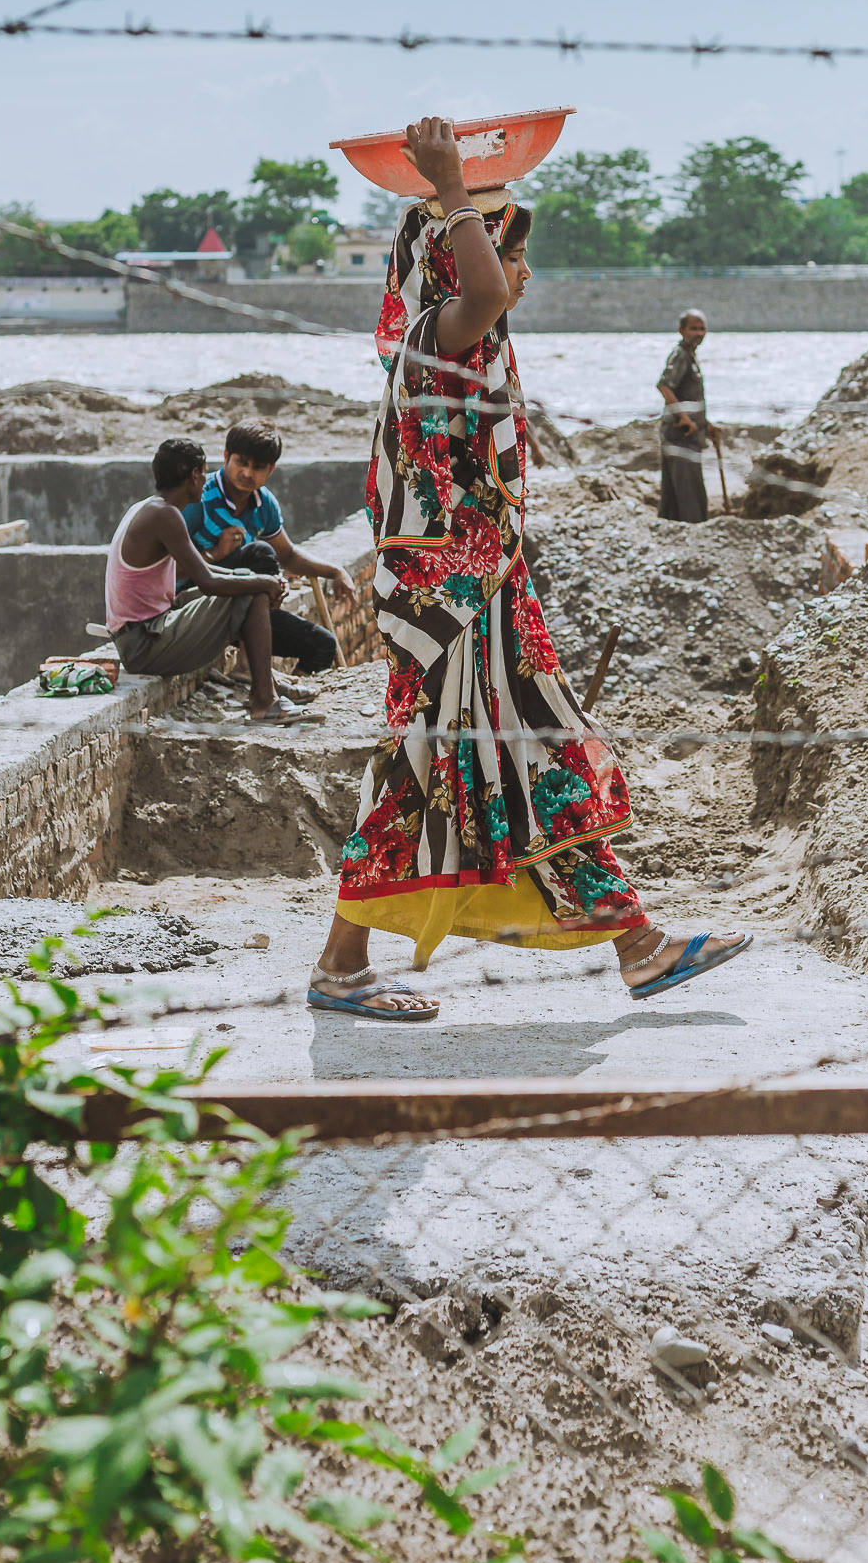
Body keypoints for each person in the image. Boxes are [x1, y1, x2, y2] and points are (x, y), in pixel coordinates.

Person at [307, 115, 750, 1022]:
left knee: (496, 763)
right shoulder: (442, 331)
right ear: (455, 256)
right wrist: (451, 188)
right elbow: (479, 288)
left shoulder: (457, 343)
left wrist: (457, 203)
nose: (522, 271)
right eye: (510, 249)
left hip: (478, 593)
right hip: (453, 606)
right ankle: (628, 944)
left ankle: (633, 942)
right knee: (453, 763)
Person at [104, 436, 292, 721]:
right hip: (142, 644)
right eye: (204, 473)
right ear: (193, 474)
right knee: (252, 591)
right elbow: (208, 582)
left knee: (248, 583)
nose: (206, 480)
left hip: (143, 633)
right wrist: (264, 584)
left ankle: (264, 690)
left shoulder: (151, 508)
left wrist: (260, 580)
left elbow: (208, 573)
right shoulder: (165, 516)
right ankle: (264, 701)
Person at [183, 417, 356, 676]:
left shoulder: (265, 505)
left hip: (241, 610)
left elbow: (287, 555)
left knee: (322, 645)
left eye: (258, 467)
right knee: (260, 553)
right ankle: (246, 668)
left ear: (271, 470)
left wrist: (334, 571)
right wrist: (215, 554)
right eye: (241, 462)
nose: (247, 473)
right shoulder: (200, 495)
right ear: (226, 456)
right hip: (196, 600)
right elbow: (169, 562)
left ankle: (284, 694)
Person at [657, 308, 721, 523]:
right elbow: (665, 386)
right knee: (688, 490)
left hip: (690, 432)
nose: (699, 333)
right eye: (693, 328)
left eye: (702, 329)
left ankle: (671, 528)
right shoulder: (681, 354)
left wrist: (706, 425)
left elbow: (688, 396)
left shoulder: (691, 356)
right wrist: (683, 418)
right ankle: (692, 531)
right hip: (680, 433)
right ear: (681, 330)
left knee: (677, 491)